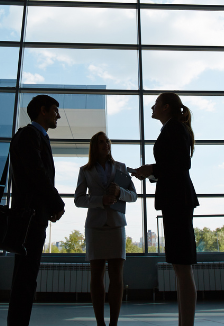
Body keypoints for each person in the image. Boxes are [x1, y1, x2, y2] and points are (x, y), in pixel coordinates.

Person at [132, 92, 198, 326]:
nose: (152, 106)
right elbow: (174, 165)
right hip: (176, 200)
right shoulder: (172, 129)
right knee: (181, 267)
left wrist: (153, 169)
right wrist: (152, 172)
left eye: (156, 103)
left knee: (182, 267)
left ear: (166, 107)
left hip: (177, 200)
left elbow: (181, 164)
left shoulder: (174, 129)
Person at [7, 95, 66, 326]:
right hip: (30, 218)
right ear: (43, 111)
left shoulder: (32, 137)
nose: (58, 115)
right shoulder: (30, 136)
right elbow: (38, 175)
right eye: (55, 110)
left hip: (31, 216)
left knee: (26, 277)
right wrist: (56, 203)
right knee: (26, 278)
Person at [75, 132, 137, 326]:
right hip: (95, 225)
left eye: (107, 142)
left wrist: (120, 192)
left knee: (117, 275)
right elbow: (78, 199)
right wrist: (99, 200)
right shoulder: (85, 170)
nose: (106, 145)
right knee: (96, 274)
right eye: (101, 142)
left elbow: (133, 195)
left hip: (116, 224)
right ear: (94, 146)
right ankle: (100, 322)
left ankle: (114, 323)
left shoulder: (121, 168)